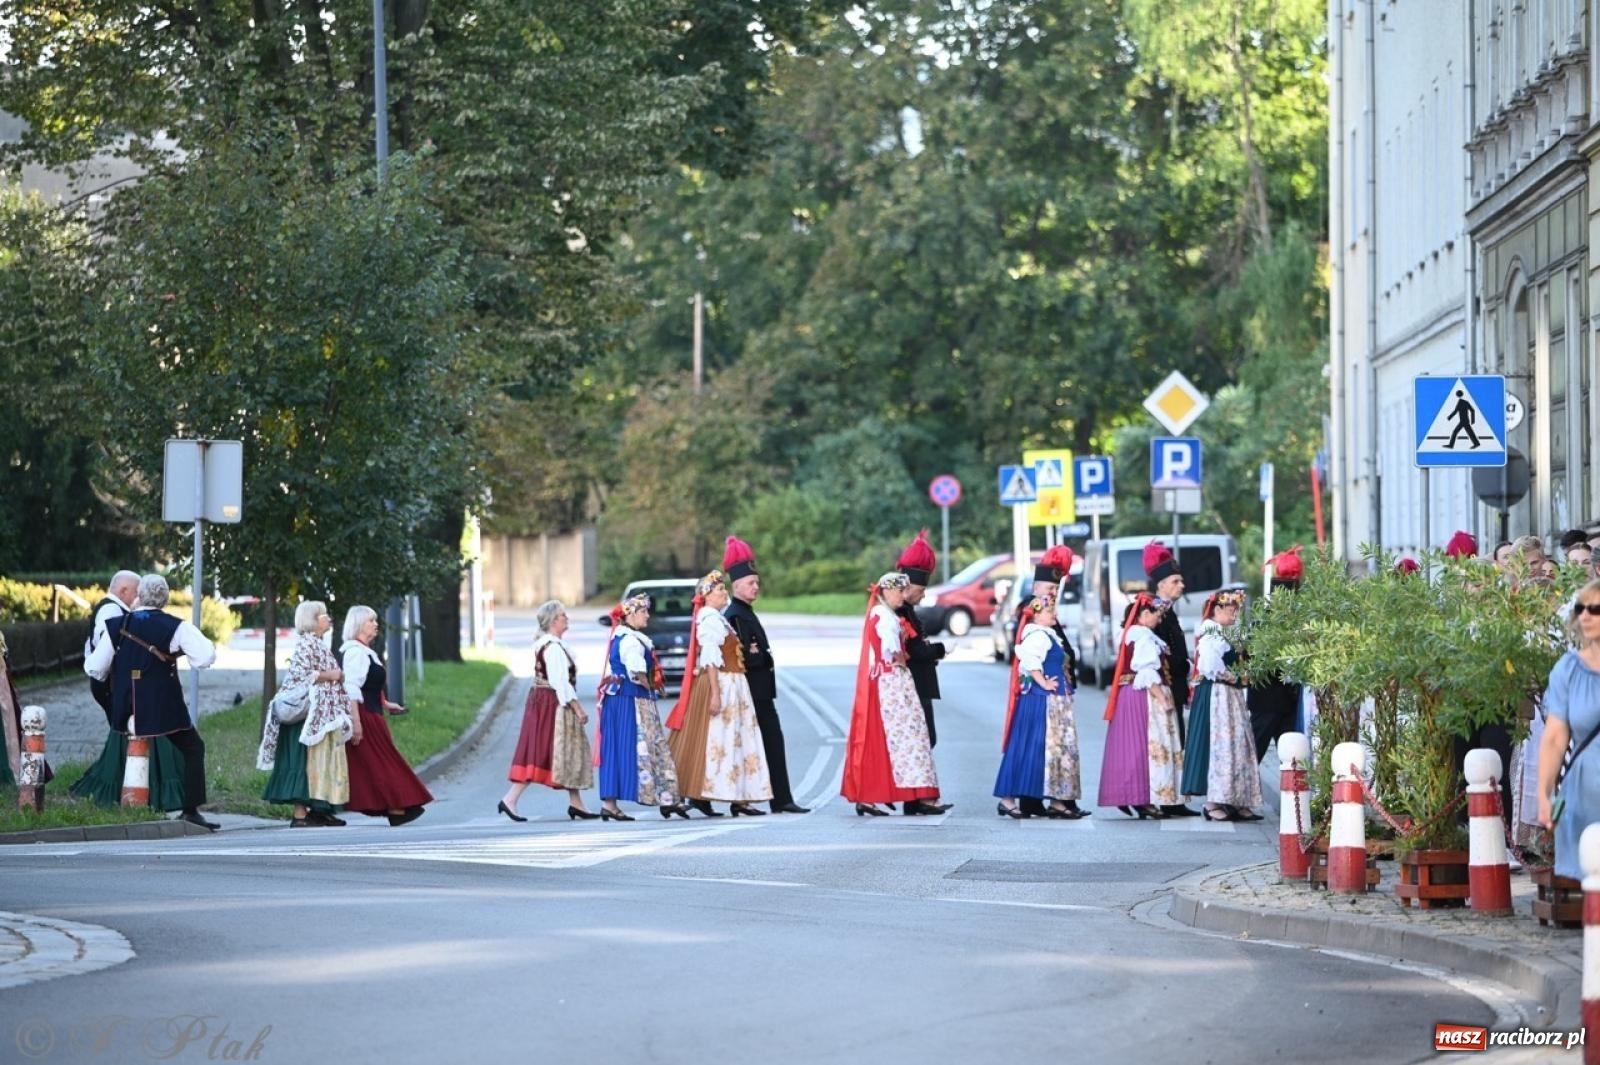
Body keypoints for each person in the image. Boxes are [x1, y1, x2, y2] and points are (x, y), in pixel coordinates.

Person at [84, 574, 219, 830]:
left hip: (126, 707)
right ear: (165, 598)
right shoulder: (176, 626)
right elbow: (205, 657)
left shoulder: (117, 625)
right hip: (163, 708)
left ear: (139, 596)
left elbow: (95, 668)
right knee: (193, 747)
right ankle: (190, 810)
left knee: (127, 748)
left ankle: (123, 803)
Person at [667, 570, 771, 817]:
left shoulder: (717, 617)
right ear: (707, 595)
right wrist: (715, 694)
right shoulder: (709, 619)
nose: (725, 593)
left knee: (734, 738)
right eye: (720, 590)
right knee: (717, 739)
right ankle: (707, 794)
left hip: (733, 682)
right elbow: (711, 659)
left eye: (724, 588)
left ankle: (737, 798)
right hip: (723, 682)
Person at [841, 573, 946, 816]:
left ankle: (894, 795)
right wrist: (902, 658)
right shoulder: (884, 616)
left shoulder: (885, 614)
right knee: (903, 739)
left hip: (891, 681)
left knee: (897, 740)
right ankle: (892, 795)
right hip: (891, 683)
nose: (903, 596)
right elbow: (893, 651)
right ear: (887, 591)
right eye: (900, 591)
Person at [722, 535, 808, 814]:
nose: (756, 587)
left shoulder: (745, 612)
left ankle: (780, 798)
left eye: (757, 582)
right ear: (736, 585)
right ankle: (777, 799)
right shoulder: (735, 615)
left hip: (760, 691)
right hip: (752, 692)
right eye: (751, 583)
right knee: (765, 743)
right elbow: (744, 656)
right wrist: (761, 656)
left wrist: (759, 653)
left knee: (772, 743)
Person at [257, 601, 350, 827]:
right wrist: (332, 675)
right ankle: (300, 814)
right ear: (313, 620)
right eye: (324, 615)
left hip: (318, 714)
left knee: (319, 761)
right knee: (303, 762)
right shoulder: (307, 643)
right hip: (305, 715)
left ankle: (320, 810)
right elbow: (303, 675)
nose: (328, 618)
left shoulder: (316, 643)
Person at [501, 599, 596, 821]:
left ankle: (576, 803)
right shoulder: (553, 648)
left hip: (545, 701)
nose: (567, 618)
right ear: (554, 621)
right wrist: (578, 708)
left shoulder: (551, 645)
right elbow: (560, 682)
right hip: (552, 704)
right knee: (546, 751)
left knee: (566, 750)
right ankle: (510, 799)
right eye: (563, 615)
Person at [595, 593, 687, 821]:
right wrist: (651, 687)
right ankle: (667, 799)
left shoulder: (623, 637)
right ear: (631, 614)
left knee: (619, 749)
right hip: (631, 701)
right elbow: (636, 673)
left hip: (619, 700)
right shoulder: (630, 640)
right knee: (649, 747)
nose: (647, 615)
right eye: (644, 611)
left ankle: (612, 804)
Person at [994, 594, 1086, 819]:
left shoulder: (1046, 634)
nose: (1054, 613)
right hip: (1041, 700)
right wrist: (1043, 682)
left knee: (1054, 750)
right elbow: (1029, 661)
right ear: (1036, 614)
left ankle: (1057, 800)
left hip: (1053, 700)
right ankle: (1008, 799)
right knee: (1031, 747)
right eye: (1049, 610)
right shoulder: (1037, 635)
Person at [341, 605, 431, 826]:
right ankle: (396, 805)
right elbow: (351, 688)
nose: (376, 624)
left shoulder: (365, 651)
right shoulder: (355, 652)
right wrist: (356, 722)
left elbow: (370, 685)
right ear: (359, 625)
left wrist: (386, 703)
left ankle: (396, 805)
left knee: (381, 762)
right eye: (371, 621)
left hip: (373, 713)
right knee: (381, 762)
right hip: (364, 715)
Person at [1179, 589, 1262, 821]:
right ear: (1217, 609)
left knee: (1237, 745)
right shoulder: (1211, 633)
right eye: (1231, 609)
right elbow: (1209, 666)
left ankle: (1236, 799)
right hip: (1217, 695)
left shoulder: (1224, 632)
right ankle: (1213, 802)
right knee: (1220, 746)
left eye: (1236, 609)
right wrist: (1234, 677)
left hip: (1230, 696)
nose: (1235, 613)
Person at [1097, 593, 1182, 819]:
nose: (1160, 620)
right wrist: (1162, 698)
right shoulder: (1142, 635)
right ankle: (1141, 800)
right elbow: (1145, 670)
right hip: (1143, 695)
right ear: (1144, 614)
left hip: (1130, 694)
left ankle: (1133, 796)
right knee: (1144, 748)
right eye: (1157, 615)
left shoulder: (1133, 634)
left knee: (1132, 748)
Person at [1537, 579, 1600, 879]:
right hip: (1583, 796)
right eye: (1580, 608)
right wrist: (1543, 794)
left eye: (1595, 609)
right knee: (1592, 887)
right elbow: (1554, 739)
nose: (1585, 616)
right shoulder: (1568, 669)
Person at [1016, 544, 1078, 818]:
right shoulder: (1032, 610)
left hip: (1058, 688)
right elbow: (1029, 657)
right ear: (1037, 587)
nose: (1053, 592)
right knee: (1039, 744)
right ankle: (1033, 801)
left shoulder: (1048, 611)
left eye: (1056, 588)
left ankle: (1062, 799)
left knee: (1059, 746)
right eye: (1050, 587)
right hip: (1040, 691)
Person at [1144, 541, 1197, 816]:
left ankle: (1175, 798)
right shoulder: (1155, 612)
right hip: (1163, 686)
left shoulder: (1168, 610)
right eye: (1176, 581)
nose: (1181, 586)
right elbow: (1159, 653)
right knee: (1167, 743)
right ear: (1161, 584)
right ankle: (1166, 799)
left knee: (1178, 741)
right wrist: (1185, 666)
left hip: (1174, 685)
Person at [1248, 547, 1307, 765]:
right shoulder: (1271, 619)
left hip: (1283, 699)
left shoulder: (1265, 617)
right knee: (1256, 753)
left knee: (1292, 759)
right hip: (1269, 699)